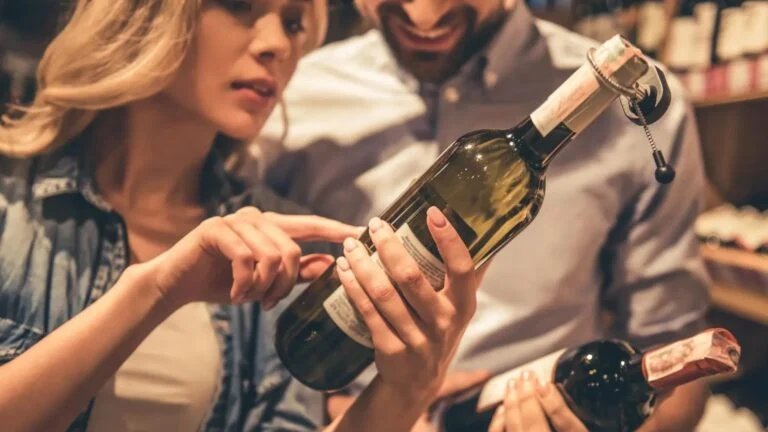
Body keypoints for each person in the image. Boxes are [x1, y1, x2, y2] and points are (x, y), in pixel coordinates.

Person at [0, 0, 484, 431]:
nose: (278, 45)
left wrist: (404, 394)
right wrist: (156, 292)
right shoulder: (12, 198)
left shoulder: (279, 241)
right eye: (237, 5)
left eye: (293, 23)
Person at [254, 0, 712, 430]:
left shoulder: (632, 108)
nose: (423, 14)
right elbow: (247, 337)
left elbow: (675, 355)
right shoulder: (283, 94)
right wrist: (373, 412)